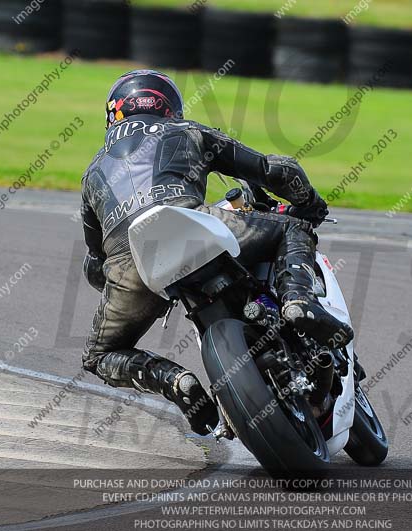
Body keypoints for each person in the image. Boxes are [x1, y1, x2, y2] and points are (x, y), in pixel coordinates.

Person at [81, 70, 354, 435]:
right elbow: (275, 170)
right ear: (169, 109)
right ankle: (297, 301)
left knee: (99, 356)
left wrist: (126, 289)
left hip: (129, 261)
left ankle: (175, 383)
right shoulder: (186, 131)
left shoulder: (93, 173)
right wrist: (311, 205)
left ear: (114, 114)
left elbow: (95, 264)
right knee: (293, 229)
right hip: (188, 219)